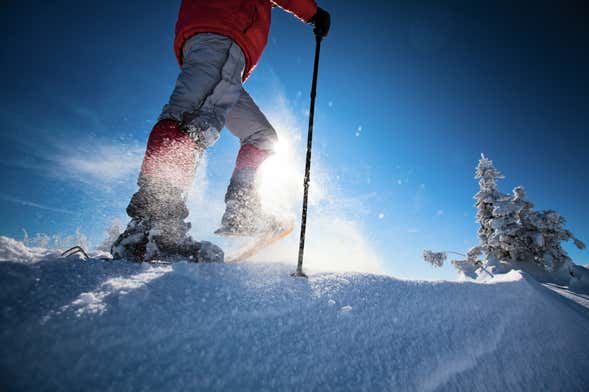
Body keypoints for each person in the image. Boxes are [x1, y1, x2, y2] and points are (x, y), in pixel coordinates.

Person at [111, 0, 331, 262]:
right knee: (190, 121)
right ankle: (154, 225)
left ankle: (241, 211)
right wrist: (314, 14)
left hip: (221, 46)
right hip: (224, 34)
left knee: (262, 137)